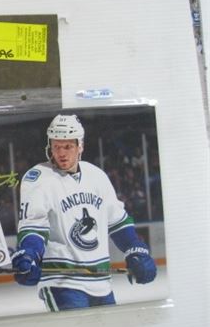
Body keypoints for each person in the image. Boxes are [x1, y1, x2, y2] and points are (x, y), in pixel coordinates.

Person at [11, 114, 156, 311]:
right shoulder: (37, 178)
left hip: (102, 283)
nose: (61, 153)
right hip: (62, 283)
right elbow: (33, 227)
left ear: (80, 146)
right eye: (56, 146)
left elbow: (117, 222)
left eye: (67, 146)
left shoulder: (97, 176)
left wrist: (135, 248)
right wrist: (30, 253)